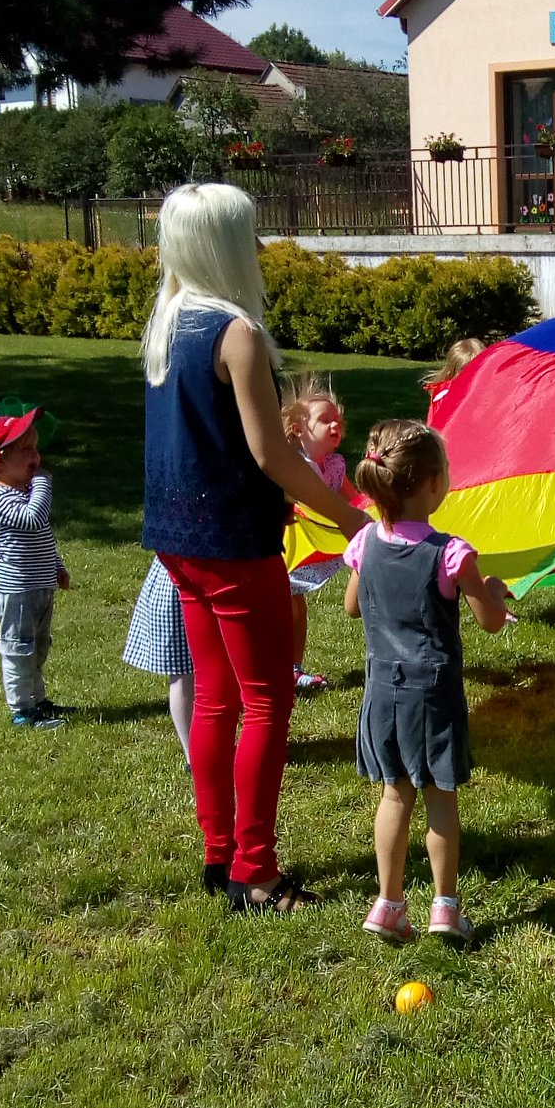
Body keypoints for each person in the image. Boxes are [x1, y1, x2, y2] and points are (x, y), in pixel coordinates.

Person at [141, 182, 367, 911]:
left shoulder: (168, 320)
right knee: (266, 702)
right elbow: (273, 455)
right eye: (250, 235)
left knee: (215, 698)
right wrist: (350, 519)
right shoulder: (235, 333)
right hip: (235, 544)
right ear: (228, 245)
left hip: (178, 542)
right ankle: (257, 873)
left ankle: (220, 855)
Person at [343, 420, 511, 944]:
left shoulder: (365, 542)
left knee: (394, 794)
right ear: (434, 483)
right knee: (440, 797)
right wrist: (493, 590)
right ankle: (445, 907)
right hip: (434, 695)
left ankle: (388, 903)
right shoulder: (451, 553)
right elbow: (491, 621)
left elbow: (351, 606)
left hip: (382, 691)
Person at [0, 406, 72, 729]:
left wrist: (56, 565)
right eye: (26, 450)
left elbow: (42, 536)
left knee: (39, 648)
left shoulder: (25, 492)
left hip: (39, 587)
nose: (36, 457)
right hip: (16, 592)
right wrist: (43, 483)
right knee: (19, 650)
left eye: (36, 448)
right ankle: (21, 711)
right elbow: (33, 519)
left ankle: (38, 700)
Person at [282, 373, 355, 692]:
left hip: (310, 549)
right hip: (288, 550)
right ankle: (274, 669)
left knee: (297, 608)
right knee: (284, 608)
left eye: (338, 420)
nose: (335, 425)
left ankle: (293, 669)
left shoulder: (335, 465)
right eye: (325, 420)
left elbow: (355, 501)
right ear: (299, 429)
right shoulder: (292, 465)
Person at [122, 556, 193, 760]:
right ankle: (193, 755)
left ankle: (199, 754)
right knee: (183, 674)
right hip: (180, 580)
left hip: (177, 573)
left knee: (188, 676)